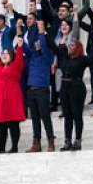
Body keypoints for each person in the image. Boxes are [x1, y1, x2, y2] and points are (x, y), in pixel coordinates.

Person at [23, 21, 57, 152]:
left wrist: (42, 32)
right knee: (35, 119)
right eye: (36, 43)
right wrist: (20, 31)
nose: (37, 44)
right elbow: (25, 47)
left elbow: (43, 45)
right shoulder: (32, 57)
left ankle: (50, 141)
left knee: (45, 116)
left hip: (42, 90)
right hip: (31, 90)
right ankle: (36, 143)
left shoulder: (47, 56)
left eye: (39, 42)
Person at [55, 33, 89, 151]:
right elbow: (58, 48)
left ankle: (78, 140)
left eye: (73, 45)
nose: (70, 47)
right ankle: (67, 141)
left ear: (78, 47)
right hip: (64, 86)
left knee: (76, 115)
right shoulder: (64, 58)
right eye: (69, 45)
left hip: (77, 87)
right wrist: (63, 38)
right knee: (67, 116)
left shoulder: (82, 59)